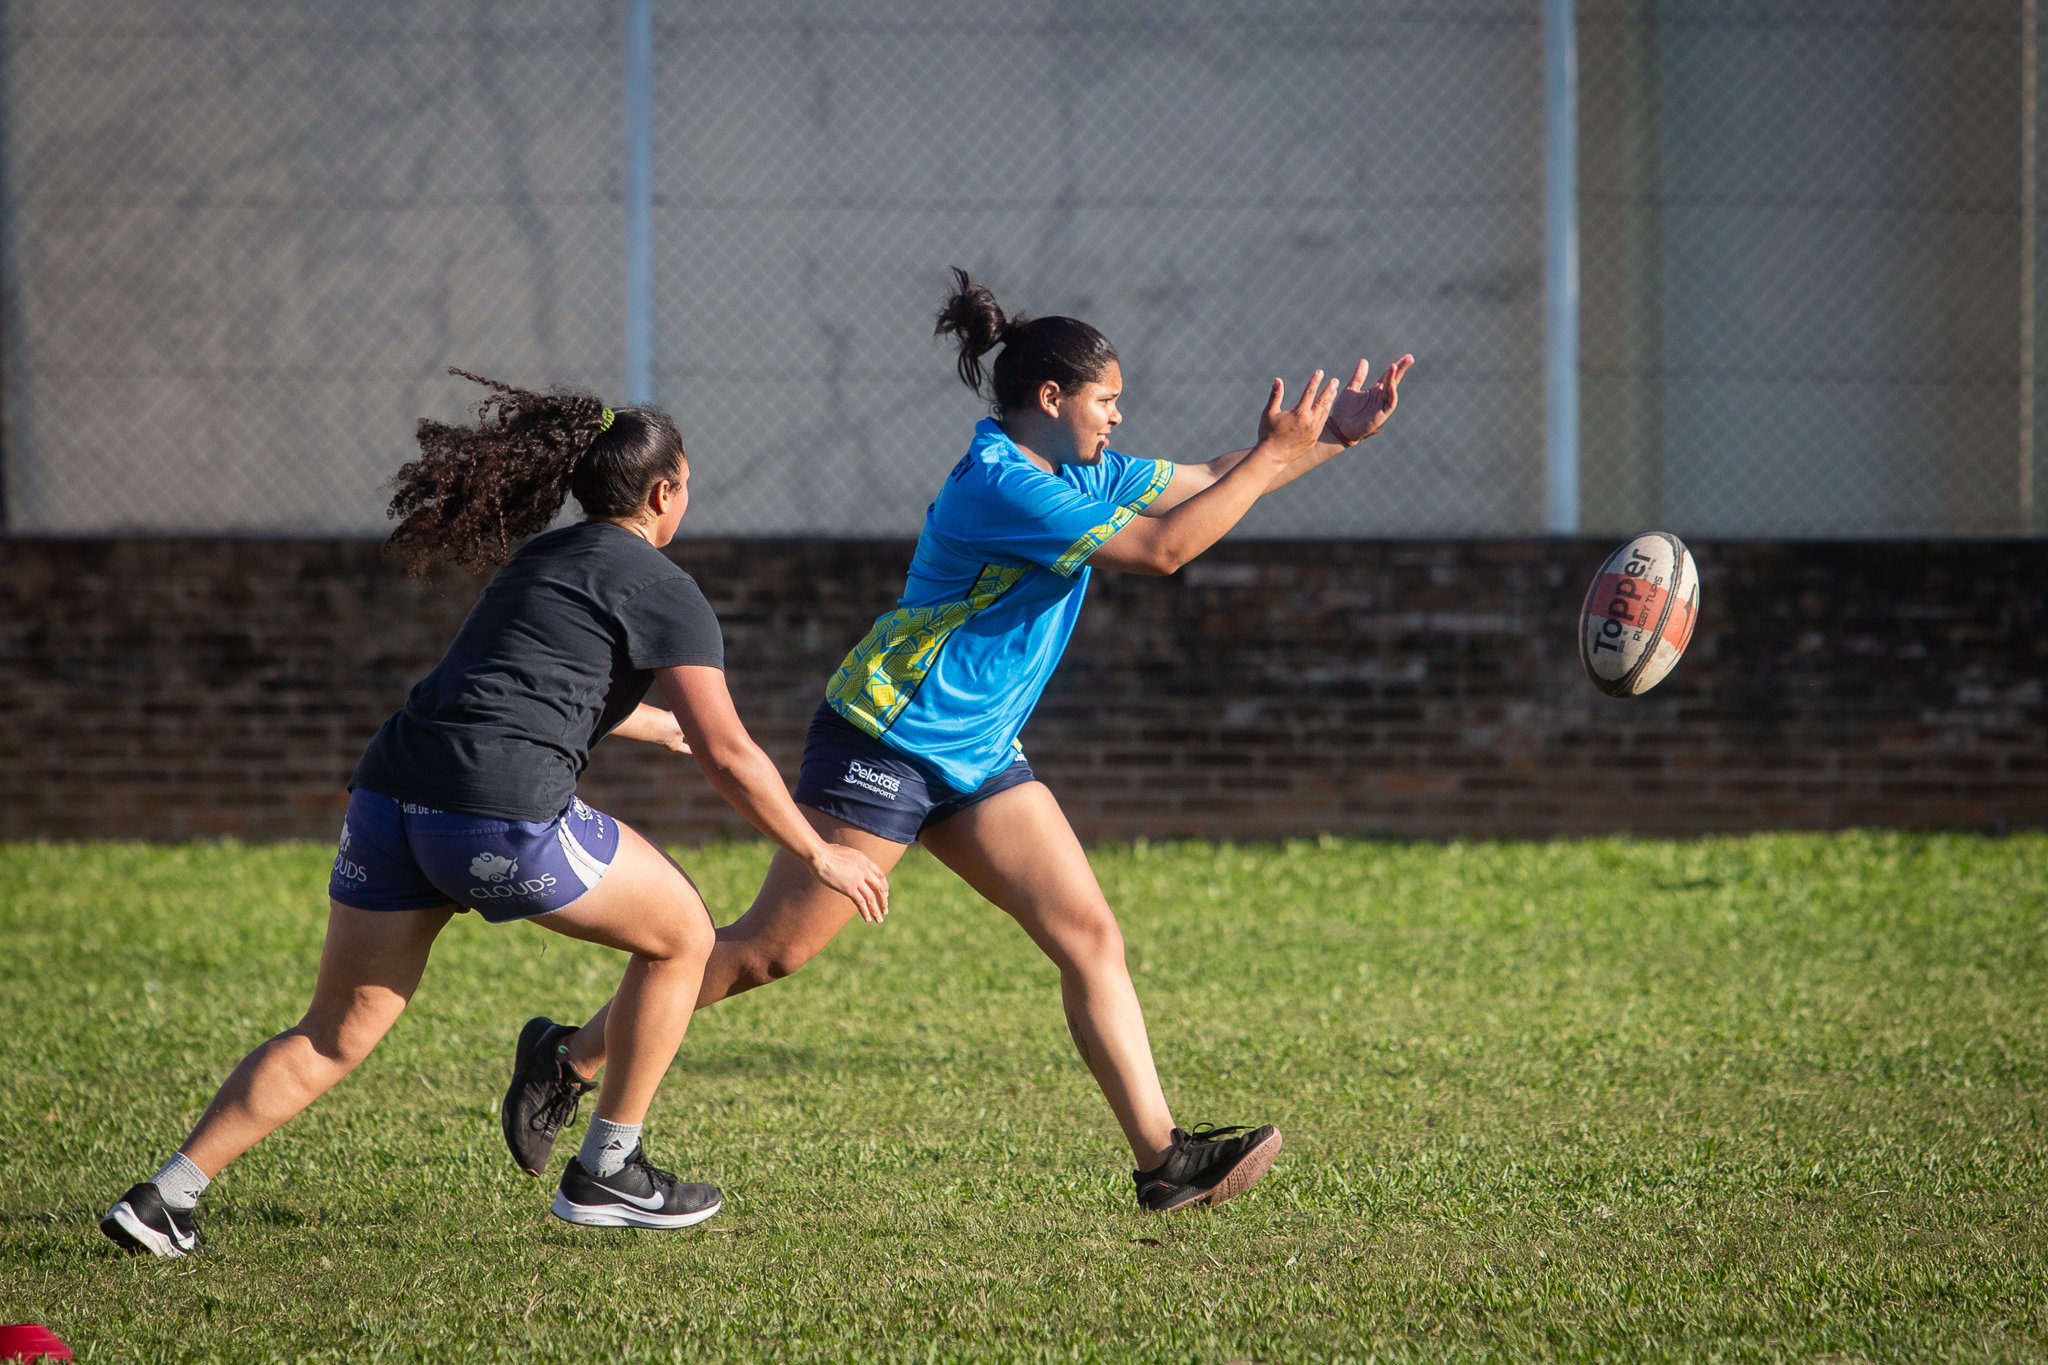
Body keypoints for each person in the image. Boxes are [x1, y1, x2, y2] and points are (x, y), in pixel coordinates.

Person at [503, 272, 1413, 1212]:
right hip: (887, 738)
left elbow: (1212, 479)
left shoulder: (1083, 470)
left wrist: (1330, 440)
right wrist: (1275, 456)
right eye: (1106, 399)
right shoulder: (1002, 484)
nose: (1118, 416)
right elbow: (1164, 548)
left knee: (1089, 934)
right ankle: (568, 1056)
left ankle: (1163, 1160)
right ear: (1051, 399)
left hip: (979, 755)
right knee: (767, 953)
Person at [98, 371, 891, 1257]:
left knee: (333, 1031)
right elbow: (731, 753)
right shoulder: (665, 587)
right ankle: (608, 1172)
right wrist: (819, 853)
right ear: (664, 493)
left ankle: (166, 1197)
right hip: (494, 814)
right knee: (685, 937)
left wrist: (654, 724)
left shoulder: (540, 561)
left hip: (389, 797)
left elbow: (521, 685)